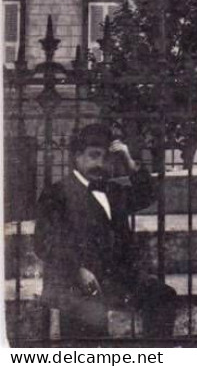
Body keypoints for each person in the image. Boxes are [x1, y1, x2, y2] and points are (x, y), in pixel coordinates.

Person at [34, 122, 177, 342]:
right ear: (77, 157)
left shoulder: (112, 190)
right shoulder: (57, 193)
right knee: (91, 320)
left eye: (105, 158)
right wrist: (78, 270)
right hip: (74, 281)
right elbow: (44, 243)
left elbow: (148, 194)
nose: (99, 164)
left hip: (116, 279)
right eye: (93, 156)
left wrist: (129, 161)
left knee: (164, 297)